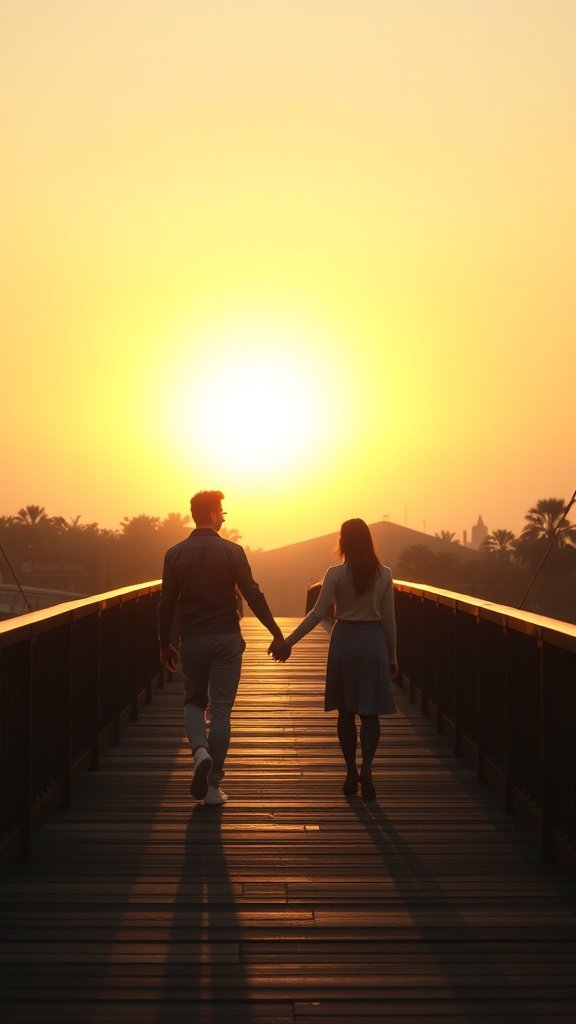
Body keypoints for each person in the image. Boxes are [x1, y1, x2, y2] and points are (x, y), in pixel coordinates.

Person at [158, 490, 286, 805]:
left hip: (192, 639)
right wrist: (276, 632)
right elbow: (252, 594)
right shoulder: (233, 552)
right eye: (222, 513)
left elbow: (166, 603)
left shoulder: (174, 554)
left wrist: (165, 643)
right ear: (214, 515)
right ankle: (212, 783)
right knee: (221, 709)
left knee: (193, 701)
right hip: (226, 638)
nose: (224, 519)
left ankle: (200, 751)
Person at [269, 518, 397, 801]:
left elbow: (317, 613)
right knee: (371, 714)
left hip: (344, 642)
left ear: (343, 542)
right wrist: (392, 656)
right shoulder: (385, 574)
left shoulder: (335, 574)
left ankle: (350, 770)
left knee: (346, 712)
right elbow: (389, 620)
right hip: (374, 641)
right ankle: (367, 769)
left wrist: (288, 642)